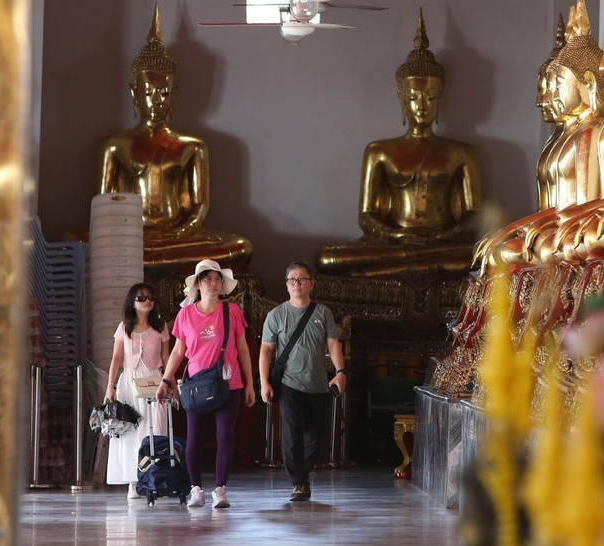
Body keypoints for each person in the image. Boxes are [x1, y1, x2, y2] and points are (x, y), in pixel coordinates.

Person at [316, 8, 481, 277]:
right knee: (328, 258)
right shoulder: (379, 151)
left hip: (444, 245)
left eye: (430, 97)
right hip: (393, 243)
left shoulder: (461, 153)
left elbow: (474, 217)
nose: (422, 105)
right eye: (414, 97)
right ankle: (414, 263)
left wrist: (442, 236)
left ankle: (396, 268)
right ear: (402, 99)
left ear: (440, 97)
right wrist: (396, 235)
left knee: (488, 256)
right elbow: (366, 216)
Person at [98, 5, 252, 268]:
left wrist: (179, 233)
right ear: (135, 93)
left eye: (164, 92)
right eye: (148, 92)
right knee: (79, 240)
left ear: (174, 93)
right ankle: (153, 257)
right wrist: (129, 234)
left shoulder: (192, 146)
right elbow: (105, 210)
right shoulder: (116, 146)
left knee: (240, 247)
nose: (156, 100)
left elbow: (199, 208)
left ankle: (153, 258)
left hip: (179, 238)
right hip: (131, 237)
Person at [154, 259, 256, 508]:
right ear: (198, 284)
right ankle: (196, 489)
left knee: (225, 436)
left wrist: (251, 383)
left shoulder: (231, 311)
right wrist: (166, 380)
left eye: (217, 279)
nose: (213, 284)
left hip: (229, 382)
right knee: (194, 438)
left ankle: (220, 489)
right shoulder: (186, 314)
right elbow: (178, 351)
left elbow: (242, 348)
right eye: (207, 279)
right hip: (196, 385)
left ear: (222, 284)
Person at [259, 261, 346, 501]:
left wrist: (340, 371)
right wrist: (264, 382)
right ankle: (298, 482)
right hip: (289, 384)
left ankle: (302, 474)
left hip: (318, 384)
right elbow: (266, 351)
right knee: (291, 434)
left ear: (311, 284)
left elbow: (333, 344)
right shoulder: (276, 315)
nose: (297, 284)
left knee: (316, 435)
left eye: (302, 279)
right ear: (287, 285)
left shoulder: (323, 313)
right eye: (292, 280)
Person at [104, 283, 170, 500]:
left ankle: (155, 479)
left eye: (150, 296)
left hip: (154, 380)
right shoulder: (124, 328)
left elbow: (167, 358)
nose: (147, 300)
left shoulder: (161, 328)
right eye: (141, 298)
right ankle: (133, 481)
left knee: (156, 429)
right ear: (132, 302)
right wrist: (110, 386)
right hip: (128, 383)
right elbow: (116, 358)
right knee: (130, 431)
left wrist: (171, 384)